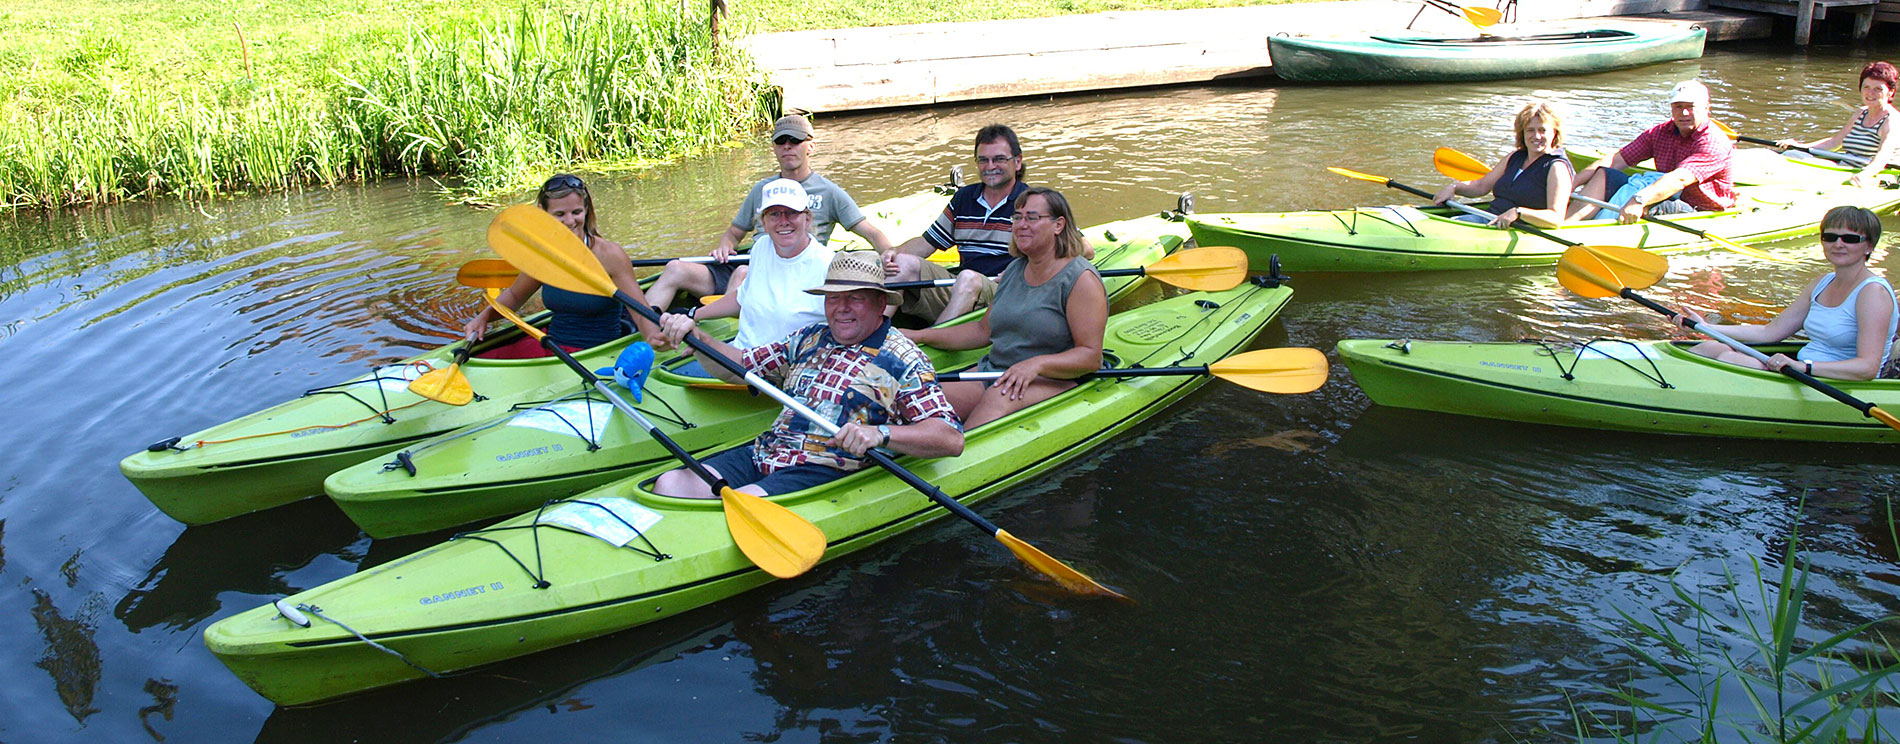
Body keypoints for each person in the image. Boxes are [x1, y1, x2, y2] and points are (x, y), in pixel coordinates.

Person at [652, 251, 964, 498]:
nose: (840, 308)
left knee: (744, 499)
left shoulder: (902, 358)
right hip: (768, 452)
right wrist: (701, 340)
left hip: (823, 467)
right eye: (833, 298)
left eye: (854, 297)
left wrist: (879, 434)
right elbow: (739, 368)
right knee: (669, 484)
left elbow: (950, 438)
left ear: (880, 302)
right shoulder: (810, 338)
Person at [904, 186, 1108, 429]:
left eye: (1032, 217)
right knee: (922, 401)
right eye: (1017, 217)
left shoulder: (1081, 279)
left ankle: (958, 453)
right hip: (997, 371)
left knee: (999, 396)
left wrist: (1036, 364)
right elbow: (982, 331)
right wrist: (919, 335)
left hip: (1053, 378)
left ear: (1058, 225)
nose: (1021, 224)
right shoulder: (1015, 269)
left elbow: (1090, 356)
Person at [645, 114, 893, 311]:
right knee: (676, 268)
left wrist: (889, 256)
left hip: (791, 274)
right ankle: (644, 328)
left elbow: (871, 232)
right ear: (774, 148)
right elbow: (734, 233)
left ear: (811, 147)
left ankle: (721, 331)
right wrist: (724, 245)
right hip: (750, 262)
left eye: (795, 141)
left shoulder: (829, 192)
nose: (788, 147)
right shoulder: (761, 189)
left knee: (742, 275)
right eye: (781, 142)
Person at [886, 124, 1090, 325]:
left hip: (1008, 293)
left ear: (1018, 162)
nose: (990, 166)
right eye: (983, 160)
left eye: (999, 159)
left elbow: (1085, 250)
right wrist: (894, 253)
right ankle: (872, 334)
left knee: (968, 279)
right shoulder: (963, 198)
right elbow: (926, 243)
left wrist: (1022, 270)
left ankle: (931, 341)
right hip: (962, 288)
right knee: (903, 264)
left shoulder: (1035, 202)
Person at [1672, 205, 1897, 381]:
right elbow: (1770, 332)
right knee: (1712, 346)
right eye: (1830, 237)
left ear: (1869, 246)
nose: (1838, 244)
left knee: (1731, 358)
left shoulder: (1872, 292)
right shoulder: (1822, 283)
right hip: (1803, 369)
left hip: (1835, 381)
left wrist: (1804, 367)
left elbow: (1868, 367)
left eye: (1850, 238)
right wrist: (1706, 327)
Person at [463, 174, 665, 359]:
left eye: (576, 212)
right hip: (551, 344)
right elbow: (515, 296)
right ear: (543, 214)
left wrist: (654, 338)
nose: (570, 221)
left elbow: (639, 311)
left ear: (586, 210)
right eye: (560, 214)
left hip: (593, 353)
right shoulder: (544, 255)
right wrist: (483, 318)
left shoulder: (610, 255)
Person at [669, 178, 834, 377]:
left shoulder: (829, 266)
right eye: (774, 214)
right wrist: (693, 315)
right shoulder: (762, 247)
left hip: (777, 372)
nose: (783, 221)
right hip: (738, 354)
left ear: (807, 218)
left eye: (791, 212)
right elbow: (742, 297)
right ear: (763, 222)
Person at [1572, 80, 1735, 224]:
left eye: (1690, 107)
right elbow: (1616, 160)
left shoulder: (1713, 142)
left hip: (1698, 210)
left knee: (1645, 201)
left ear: (1707, 108)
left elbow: (1679, 179)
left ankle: (1597, 233)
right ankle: (1565, 223)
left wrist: (1639, 199)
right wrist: (1572, 183)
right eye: (1678, 107)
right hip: (1667, 192)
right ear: (1671, 109)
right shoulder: (1661, 132)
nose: (1684, 113)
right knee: (1605, 175)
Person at [1433, 100, 1574, 228]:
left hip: (1517, 229)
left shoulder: (1557, 167)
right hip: (1489, 219)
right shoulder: (1515, 157)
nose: (1536, 136)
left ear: (1554, 133)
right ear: (1522, 133)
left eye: (1542, 130)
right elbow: (1481, 186)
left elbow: (1556, 218)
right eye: (1530, 130)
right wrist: (1454, 187)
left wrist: (1519, 212)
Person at [1775, 61, 1900, 189]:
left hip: (1871, 174)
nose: (1870, 93)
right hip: (1845, 168)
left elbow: (1883, 156)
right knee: (1791, 155)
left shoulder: (1892, 120)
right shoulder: (1861, 113)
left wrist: (1865, 175)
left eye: (1878, 89)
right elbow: (1835, 142)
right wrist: (1799, 146)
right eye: (1866, 87)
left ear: (1890, 92)